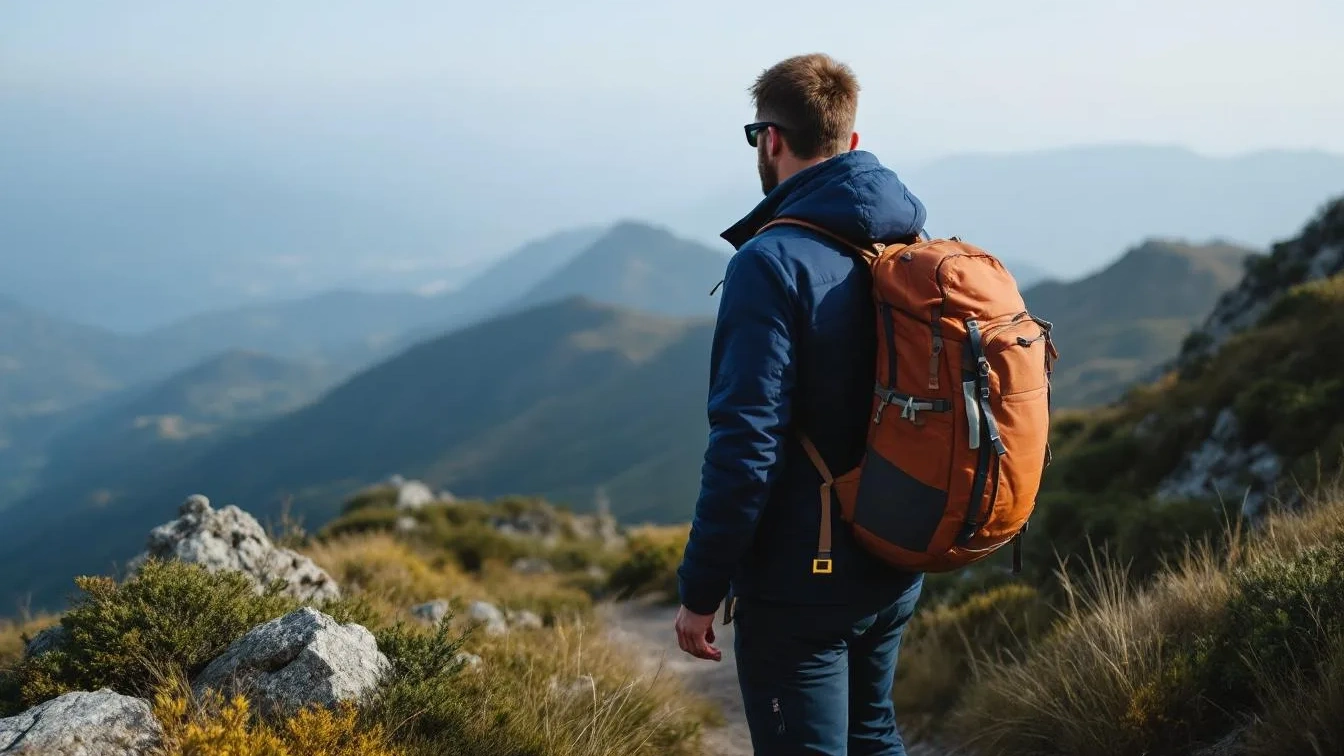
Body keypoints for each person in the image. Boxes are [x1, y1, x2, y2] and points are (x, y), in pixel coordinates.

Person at [674, 53, 927, 755]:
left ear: (771, 140)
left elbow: (745, 444)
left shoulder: (769, 261)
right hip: (894, 553)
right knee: (874, 734)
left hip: (801, 576)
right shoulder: (904, 240)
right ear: (849, 142)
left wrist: (702, 588)